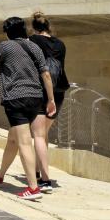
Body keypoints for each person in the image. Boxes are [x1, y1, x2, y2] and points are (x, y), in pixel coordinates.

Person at [0, 16, 56, 200]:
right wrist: (51, 99)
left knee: (24, 142)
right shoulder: (34, 47)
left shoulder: (5, 47)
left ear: (8, 32)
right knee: (13, 140)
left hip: (15, 98)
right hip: (36, 98)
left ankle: (33, 188)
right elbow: (46, 75)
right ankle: (0, 175)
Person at [26, 11, 69, 192]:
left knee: (38, 135)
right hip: (58, 93)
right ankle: (37, 171)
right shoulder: (61, 44)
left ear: (34, 28)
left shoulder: (32, 41)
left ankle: (45, 179)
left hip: (40, 91)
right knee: (43, 134)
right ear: (48, 26)